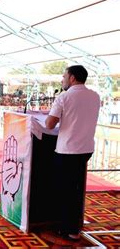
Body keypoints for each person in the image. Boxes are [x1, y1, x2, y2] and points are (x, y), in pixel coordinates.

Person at [45, 65, 100, 241]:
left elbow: (49, 125)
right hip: (85, 149)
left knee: (64, 191)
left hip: (67, 150)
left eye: (64, 77)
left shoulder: (64, 97)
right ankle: (74, 227)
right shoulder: (95, 96)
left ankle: (66, 229)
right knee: (75, 189)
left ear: (73, 78)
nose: (62, 80)